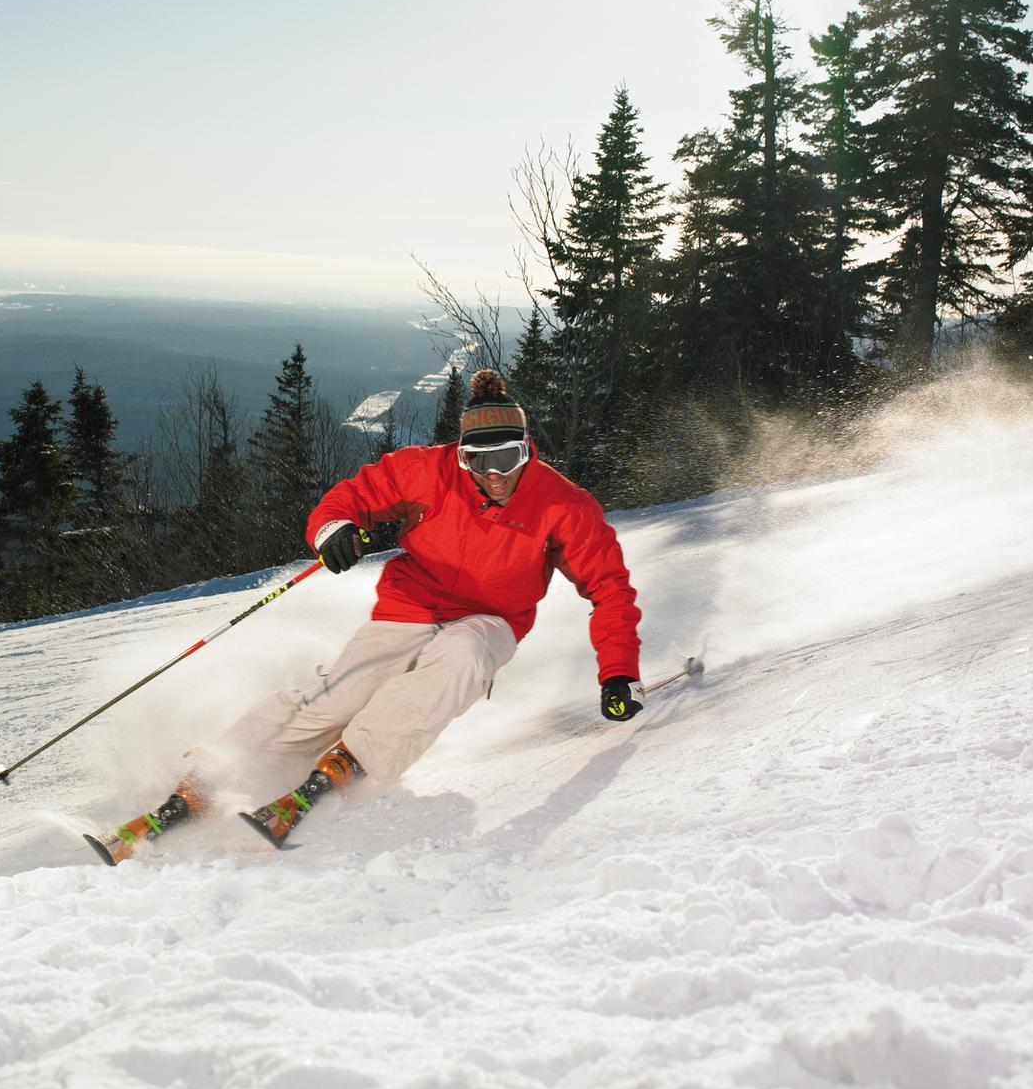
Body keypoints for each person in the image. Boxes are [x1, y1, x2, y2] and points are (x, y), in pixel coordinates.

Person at [87, 368, 643, 864]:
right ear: (460, 454)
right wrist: (334, 532)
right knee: (340, 699)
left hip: (491, 619)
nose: (496, 475)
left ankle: (350, 763)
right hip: (411, 603)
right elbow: (344, 501)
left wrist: (618, 670)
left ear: (528, 449)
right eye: (479, 460)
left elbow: (609, 586)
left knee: (461, 658)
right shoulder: (425, 472)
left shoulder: (562, 504)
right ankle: (211, 775)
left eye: (509, 459)